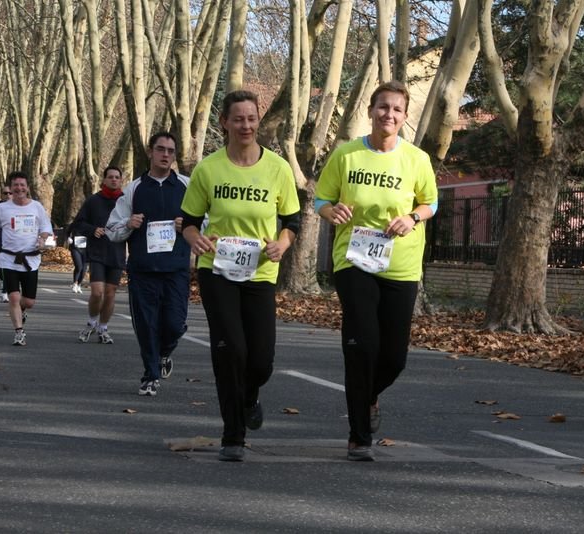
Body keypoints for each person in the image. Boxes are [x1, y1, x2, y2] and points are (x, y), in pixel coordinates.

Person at [314, 81, 438, 461]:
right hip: (354, 261)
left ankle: (368, 396)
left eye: (397, 110)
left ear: (404, 117)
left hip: (400, 265)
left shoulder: (417, 160)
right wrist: (330, 211)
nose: (389, 115)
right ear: (371, 111)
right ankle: (359, 436)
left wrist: (412, 217)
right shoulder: (347, 155)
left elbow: (430, 202)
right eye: (383, 107)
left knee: (394, 357)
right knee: (361, 345)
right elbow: (322, 198)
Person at [181, 90, 301, 462]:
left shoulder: (278, 168)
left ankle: (250, 397)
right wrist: (196, 239)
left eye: (251, 118)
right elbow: (188, 222)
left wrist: (282, 244)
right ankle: (232, 436)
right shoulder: (209, 168)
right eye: (238, 119)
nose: (245, 125)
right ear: (224, 123)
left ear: (258, 121)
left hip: (261, 272)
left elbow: (291, 222)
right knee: (230, 350)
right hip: (217, 270)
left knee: (261, 359)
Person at [106, 132, 190, 397]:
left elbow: (208, 221)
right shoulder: (133, 189)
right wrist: (129, 225)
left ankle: (164, 353)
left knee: (175, 324)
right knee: (146, 325)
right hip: (143, 269)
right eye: (160, 149)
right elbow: (112, 229)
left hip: (176, 268)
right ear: (150, 152)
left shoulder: (187, 186)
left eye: (171, 151)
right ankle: (150, 375)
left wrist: (188, 225)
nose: (166, 155)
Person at [0, 171, 54, 346]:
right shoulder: (2, 208)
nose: (19, 188)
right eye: (15, 185)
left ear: (27, 188)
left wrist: (42, 238)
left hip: (30, 259)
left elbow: (46, 227)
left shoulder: (37, 207)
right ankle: (19, 332)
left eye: (22, 185)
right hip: (8, 259)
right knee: (14, 298)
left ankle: (21, 310)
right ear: (11, 188)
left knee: (29, 301)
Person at [73, 166, 127, 344]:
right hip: (97, 253)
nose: (113, 180)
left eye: (117, 177)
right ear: (103, 180)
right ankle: (91, 322)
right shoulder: (93, 201)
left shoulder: (125, 201)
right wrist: (92, 229)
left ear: (121, 180)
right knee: (97, 293)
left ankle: (103, 328)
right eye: (110, 177)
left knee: (110, 294)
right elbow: (78, 223)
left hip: (117, 253)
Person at [66, 220, 88, 294]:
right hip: (75, 247)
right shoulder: (75, 224)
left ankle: (79, 284)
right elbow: (67, 232)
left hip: (86, 249)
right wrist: (68, 238)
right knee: (79, 266)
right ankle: (75, 284)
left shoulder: (91, 224)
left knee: (84, 269)